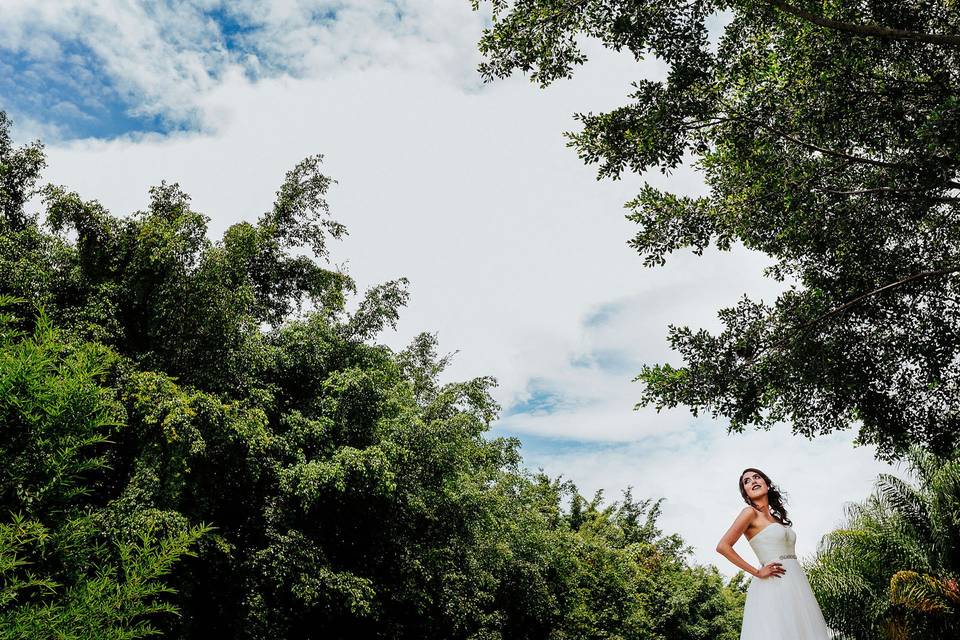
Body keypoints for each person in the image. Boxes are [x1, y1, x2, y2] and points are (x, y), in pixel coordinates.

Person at [716, 468, 831, 639]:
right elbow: (723, 546)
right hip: (773, 582)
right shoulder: (749, 513)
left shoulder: (778, 518)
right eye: (747, 481)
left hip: (796, 581)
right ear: (746, 494)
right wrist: (757, 572)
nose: (753, 481)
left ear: (767, 485)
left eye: (757, 477)